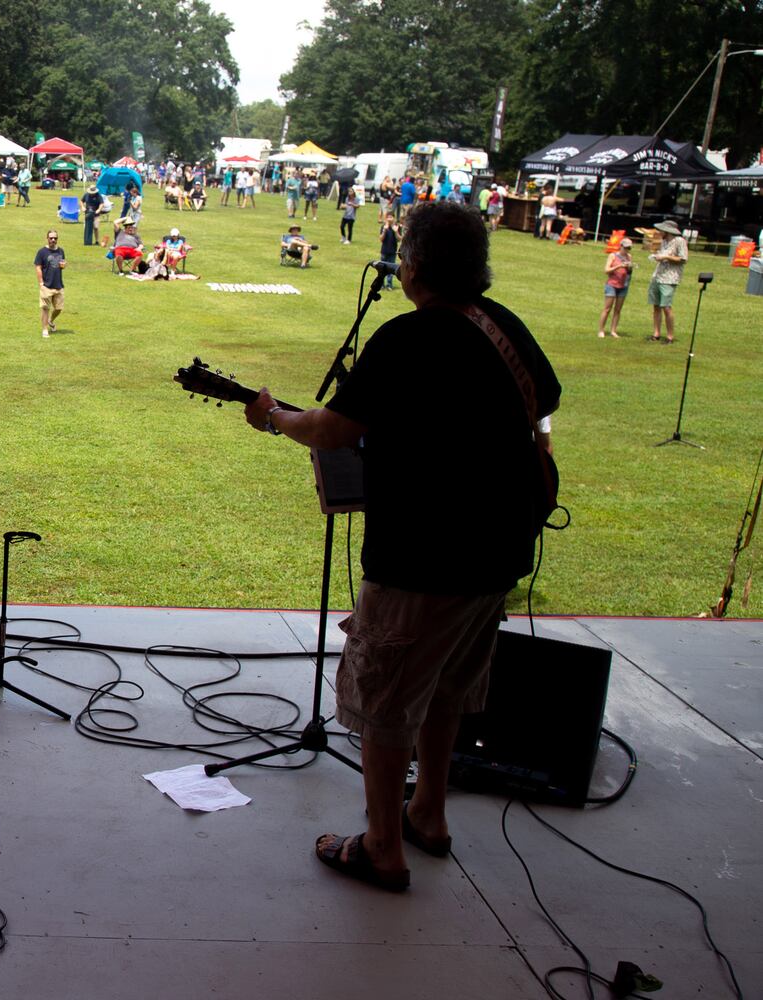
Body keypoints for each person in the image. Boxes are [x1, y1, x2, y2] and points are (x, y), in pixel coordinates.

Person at [242, 200, 560, 893]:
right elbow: (536, 410)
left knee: (386, 704)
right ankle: (428, 815)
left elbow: (329, 430)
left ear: (412, 265)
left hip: (422, 554)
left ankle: (383, 847)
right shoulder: (502, 325)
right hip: (499, 549)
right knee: (446, 687)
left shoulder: (408, 339)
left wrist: (272, 418)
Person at [647, 220, 687, 343]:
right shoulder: (664, 242)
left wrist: (666, 257)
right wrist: (657, 257)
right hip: (658, 276)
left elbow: (683, 259)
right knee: (656, 305)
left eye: (661, 230)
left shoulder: (680, 241)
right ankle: (656, 333)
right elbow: (663, 255)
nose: (659, 232)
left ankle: (670, 336)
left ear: (668, 231)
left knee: (666, 307)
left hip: (669, 278)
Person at [597, 238, 633, 338]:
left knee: (618, 309)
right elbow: (607, 270)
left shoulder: (629, 257)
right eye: (625, 248)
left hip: (623, 285)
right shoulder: (613, 256)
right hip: (612, 284)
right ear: (621, 246)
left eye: (629, 248)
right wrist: (619, 266)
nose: (627, 250)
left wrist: (629, 267)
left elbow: (629, 272)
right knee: (607, 308)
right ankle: (601, 330)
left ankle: (613, 330)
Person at [35, 229, 66, 338]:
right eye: (51, 238)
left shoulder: (61, 251)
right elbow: (38, 267)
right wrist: (41, 283)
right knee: (45, 308)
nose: (53, 240)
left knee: (58, 308)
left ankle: (50, 321)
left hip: (58, 285)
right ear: (47, 238)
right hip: (46, 286)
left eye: (55, 238)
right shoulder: (42, 252)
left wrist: (63, 265)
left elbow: (62, 264)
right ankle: (44, 330)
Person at [379, 214, 401, 290]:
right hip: (384, 251)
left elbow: (399, 239)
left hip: (392, 252)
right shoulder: (383, 227)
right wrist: (384, 230)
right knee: (381, 269)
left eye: (391, 217)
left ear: (394, 218)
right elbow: (381, 239)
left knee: (391, 270)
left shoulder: (397, 227)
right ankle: (381, 284)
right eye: (388, 217)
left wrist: (396, 231)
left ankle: (389, 285)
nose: (389, 219)